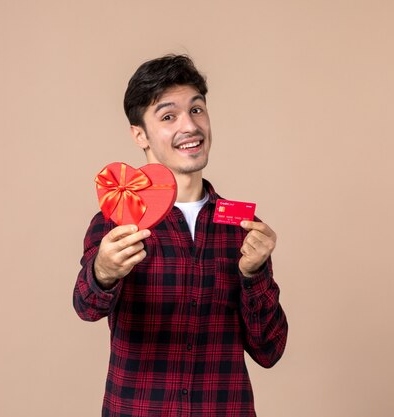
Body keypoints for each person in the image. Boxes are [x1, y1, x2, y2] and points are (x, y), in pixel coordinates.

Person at [73, 54, 288, 417]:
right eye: (168, 116)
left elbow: (270, 350)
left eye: (197, 110)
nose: (189, 126)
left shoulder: (243, 229)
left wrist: (254, 274)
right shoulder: (117, 219)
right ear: (139, 134)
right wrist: (103, 272)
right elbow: (86, 308)